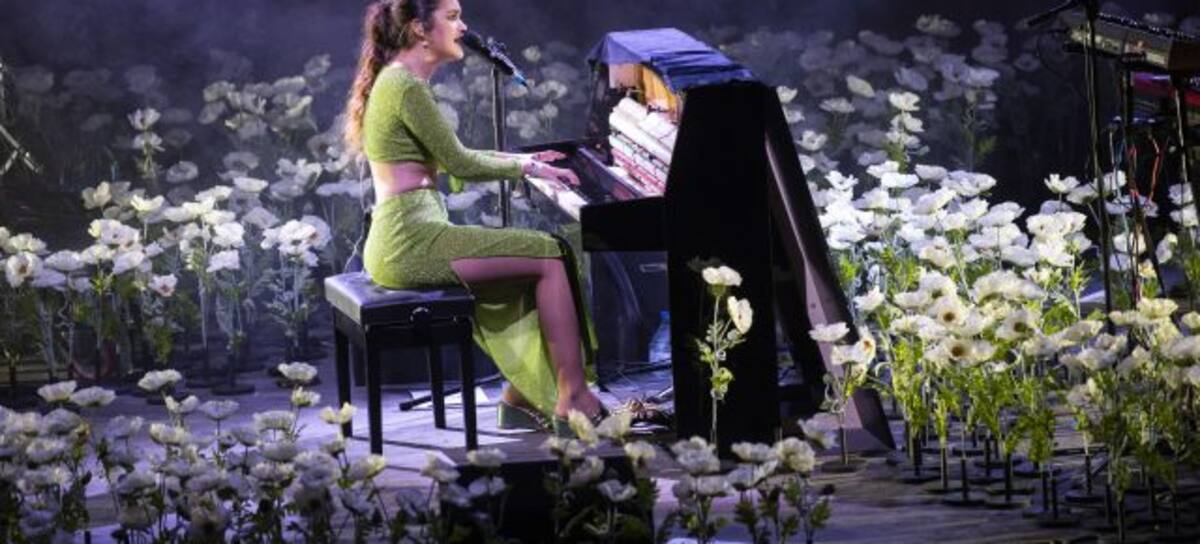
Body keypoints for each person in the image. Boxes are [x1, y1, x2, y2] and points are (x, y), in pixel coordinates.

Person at [343, 0, 605, 434]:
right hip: (409, 242)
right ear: (419, 29)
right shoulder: (406, 86)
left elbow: (455, 157)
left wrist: (525, 161)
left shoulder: (397, 81)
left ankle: (520, 398)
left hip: (406, 237)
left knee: (534, 261)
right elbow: (461, 164)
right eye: (452, 17)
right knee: (550, 256)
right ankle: (572, 398)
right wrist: (528, 168)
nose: (463, 27)